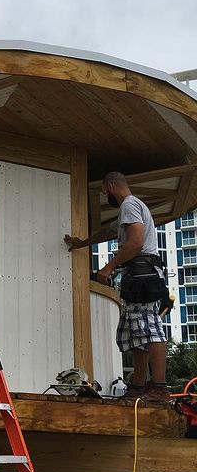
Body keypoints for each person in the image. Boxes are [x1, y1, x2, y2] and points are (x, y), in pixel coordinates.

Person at [64, 171, 169, 402]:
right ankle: (139, 386)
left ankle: (159, 387)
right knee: (136, 333)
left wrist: (108, 267)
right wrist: (82, 243)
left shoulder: (129, 205)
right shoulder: (129, 208)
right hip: (139, 274)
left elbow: (136, 241)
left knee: (150, 328)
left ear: (110, 186)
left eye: (104, 191)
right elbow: (109, 231)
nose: (105, 195)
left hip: (143, 274)